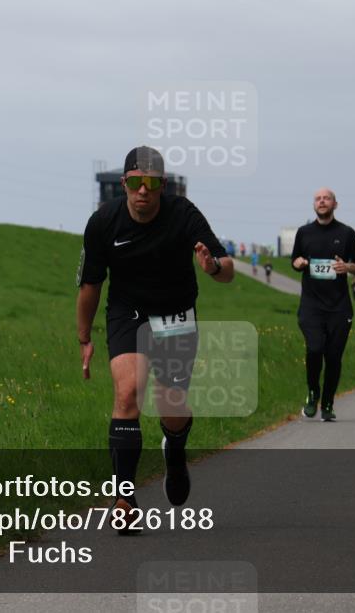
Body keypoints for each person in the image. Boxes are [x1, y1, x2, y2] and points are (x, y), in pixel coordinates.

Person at [76, 146, 234, 534]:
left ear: (163, 186)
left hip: (175, 313)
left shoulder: (183, 215)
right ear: (124, 184)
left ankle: (175, 451)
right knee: (128, 392)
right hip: (127, 312)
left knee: (170, 402)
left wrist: (212, 266)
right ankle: (125, 499)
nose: (142, 191)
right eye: (134, 183)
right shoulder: (103, 222)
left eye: (151, 183)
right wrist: (84, 338)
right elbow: (90, 286)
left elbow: (226, 269)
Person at [291, 188, 355, 421]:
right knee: (315, 349)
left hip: (339, 307)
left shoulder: (347, 234)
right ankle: (313, 392)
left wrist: (348, 267)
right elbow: (294, 259)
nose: (322, 201)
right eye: (318, 198)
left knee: (333, 357)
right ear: (313, 204)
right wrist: (299, 262)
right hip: (311, 306)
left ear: (335, 204)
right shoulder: (304, 232)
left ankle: (327, 403)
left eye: (326, 198)